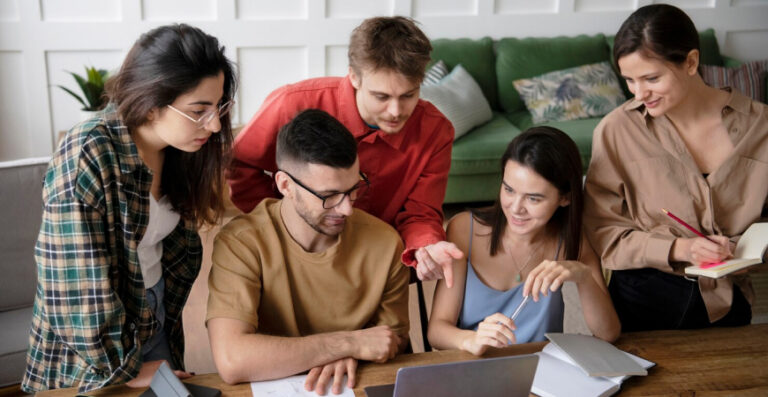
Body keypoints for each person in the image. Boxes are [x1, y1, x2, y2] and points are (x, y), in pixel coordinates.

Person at [21, 24, 236, 393]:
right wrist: (123, 368)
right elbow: (71, 289)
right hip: (89, 349)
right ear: (152, 104)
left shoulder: (179, 151)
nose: (214, 124)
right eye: (199, 110)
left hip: (155, 315)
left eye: (218, 107)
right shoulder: (88, 151)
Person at [228, 16, 462, 286]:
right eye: (382, 97)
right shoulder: (293, 103)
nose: (397, 112)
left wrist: (427, 245)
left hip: (374, 259)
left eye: (409, 95)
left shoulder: (436, 130)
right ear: (353, 76)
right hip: (294, 249)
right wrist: (282, 221)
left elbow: (421, 213)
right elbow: (239, 164)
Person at [584, 4, 767, 331]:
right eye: (629, 80)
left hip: (729, 300)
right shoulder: (616, 132)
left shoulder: (761, 126)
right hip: (642, 296)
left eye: (651, 78)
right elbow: (603, 233)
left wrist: (746, 251)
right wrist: (681, 248)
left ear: (691, 62)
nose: (640, 93)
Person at [207, 109, 410, 396]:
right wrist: (345, 344)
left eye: (353, 189)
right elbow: (232, 360)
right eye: (329, 196)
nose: (347, 208)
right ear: (285, 185)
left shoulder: (386, 243)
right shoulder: (241, 243)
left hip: (354, 383)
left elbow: (392, 339)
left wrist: (356, 351)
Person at [428, 127, 620, 355]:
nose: (516, 208)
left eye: (533, 198)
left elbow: (607, 334)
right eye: (509, 190)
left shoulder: (571, 242)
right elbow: (437, 331)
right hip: (473, 369)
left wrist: (584, 276)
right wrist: (471, 339)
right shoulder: (463, 229)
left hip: (540, 375)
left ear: (565, 198)